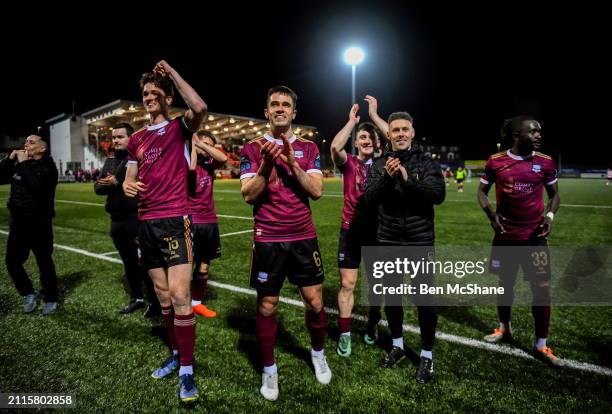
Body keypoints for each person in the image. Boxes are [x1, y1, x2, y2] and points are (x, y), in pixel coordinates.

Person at [123, 60, 207, 402]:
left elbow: (199, 107)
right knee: (162, 296)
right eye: (145, 93)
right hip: (146, 222)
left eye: (155, 92)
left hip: (175, 218)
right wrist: (127, 186)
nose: (148, 96)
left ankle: (187, 369)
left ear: (168, 97)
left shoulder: (179, 128)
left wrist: (170, 73)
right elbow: (130, 177)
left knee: (180, 295)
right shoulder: (137, 139)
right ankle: (175, 353)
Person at [240, 85, 330, 401]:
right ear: (266, 112)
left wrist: (292, 163)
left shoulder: (308, 148)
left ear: (294, 112)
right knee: (267, 304)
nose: (280, 109)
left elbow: (316, 191)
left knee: (315, 302)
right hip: (268, 238)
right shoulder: (251, 148)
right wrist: (266, 164)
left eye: (286, 105)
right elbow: (249, 195)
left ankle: (318, 353)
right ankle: (269, 368)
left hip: (303, 236)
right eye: (274, 104)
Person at [364, 111, 445, 384]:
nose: (400, 133)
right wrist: (388, 177)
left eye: (404, 129)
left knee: (424, 301)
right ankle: (397, 345)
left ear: (412, 132)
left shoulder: (426, 162)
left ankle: (426, 355)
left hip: (420, 243)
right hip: (387, 242)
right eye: (395, 129)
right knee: (393, 298)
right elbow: (369, 199)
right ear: (389, 134)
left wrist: (407, 179)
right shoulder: (378, 164)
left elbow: (438, 195)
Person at [478, 115, 561, 367]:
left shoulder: (545, 162)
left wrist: (549, 215)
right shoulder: (496, 161)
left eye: (539, 131)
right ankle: (504, 329)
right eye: (533, 131)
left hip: (535, 239)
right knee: (505, 285)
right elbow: (481, 192)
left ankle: (541, 344)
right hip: (505, 238)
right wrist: (492, 217)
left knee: (542, 289)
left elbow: (555, 195)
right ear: (516, 135)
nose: (538, 135)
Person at [331, 102, 382, 357]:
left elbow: (398, 143)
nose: (366, 140)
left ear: (377, 141)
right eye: (362, 137)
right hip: (350, 231)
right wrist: (352, 122)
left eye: (370, 136)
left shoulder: (384, 164)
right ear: (357, 142)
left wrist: (374, 117)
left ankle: (373, 323)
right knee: (348, 284)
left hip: (377, 233)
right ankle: (345, 334)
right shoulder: (349, 163)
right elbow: (334, 147)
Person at [94, 122, 160, 316]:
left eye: (120, 137)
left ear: (131, 138)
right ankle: (137, 298)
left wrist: (117, 182)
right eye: (113, 137)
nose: (115, 141)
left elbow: (145, 187)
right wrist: (116, 184)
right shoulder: (111, 160)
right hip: (117, 220)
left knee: (145, 262)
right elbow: (98, 188)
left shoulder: (140, 159)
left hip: (136, 220)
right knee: (128, 262)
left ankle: (155, 302)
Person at [0, 135, 59, 315]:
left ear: (42, 149)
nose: (26, 145)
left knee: (44, 262)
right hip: (18, 223)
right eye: (26, 142)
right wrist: (9, 161)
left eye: (32, 142)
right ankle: (28, 293)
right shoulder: (20, 164)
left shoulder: (49, 167)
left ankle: (51, 299)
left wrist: (23, 164)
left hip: (39, 223)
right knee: (12, 262)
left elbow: (37, 187)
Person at [188, 130, 227, 318]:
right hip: (189, 220)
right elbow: (189, 169)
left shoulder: (211, 163)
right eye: (203, 141)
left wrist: (203, 145)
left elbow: (223, 157)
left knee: (204, 264)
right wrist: (194, 145)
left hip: (209, 220)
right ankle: (181, 302)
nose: (207, 146)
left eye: (210, 144)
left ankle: (196, 303)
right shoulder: (186, 159)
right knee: (185, 265)